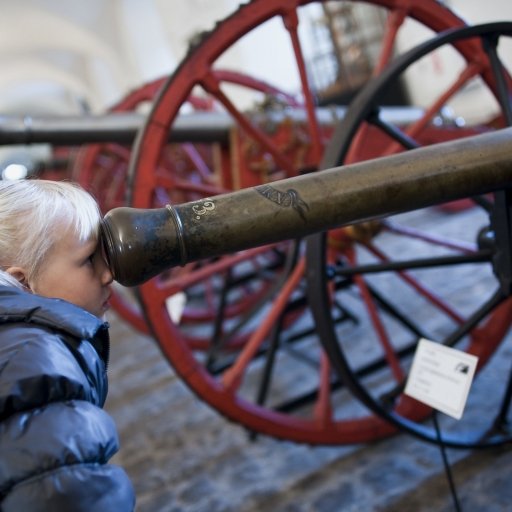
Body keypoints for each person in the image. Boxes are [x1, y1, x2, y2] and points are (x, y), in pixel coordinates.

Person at [0, 179, 135, 511]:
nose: (107, 275)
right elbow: (66, 490)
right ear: (22, 283)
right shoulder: (36, 359)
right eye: (89, 259)